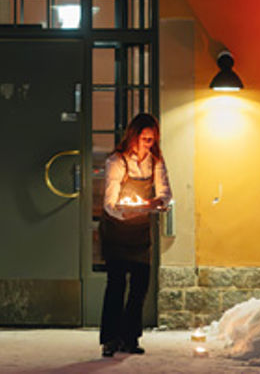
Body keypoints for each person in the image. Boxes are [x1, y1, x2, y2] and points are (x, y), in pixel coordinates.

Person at [99, 113, 172, 358]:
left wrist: (158, 203)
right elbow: (110, 202)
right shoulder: (117, 161)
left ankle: (130, 338)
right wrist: (124, 213)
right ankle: (110, 339)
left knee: (140, 286)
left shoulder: (155, 161)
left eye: (152, 140)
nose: (148, 144)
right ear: (133, 136)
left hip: (140, 232)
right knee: (116, 285)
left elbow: (165, 193)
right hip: (117, 230)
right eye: (144, 139)